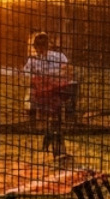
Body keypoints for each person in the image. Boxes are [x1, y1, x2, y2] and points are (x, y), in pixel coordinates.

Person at [24, 32, 74, 161]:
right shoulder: (33, 60)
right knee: (53, 120)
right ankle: (54, 144)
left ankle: (56, 147)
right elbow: (28, 77)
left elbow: (67, 71)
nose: (39, 48)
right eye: (37, 45)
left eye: (42, 45)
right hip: (42, 95)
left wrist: (52, 77)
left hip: (56, 93)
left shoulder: (58, 56)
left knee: (55, 120)